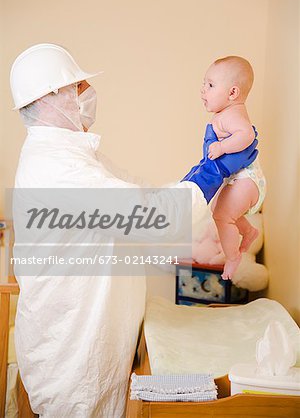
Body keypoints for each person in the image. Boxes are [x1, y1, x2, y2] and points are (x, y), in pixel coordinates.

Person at [9, 44, 258, 417]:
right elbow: (152, 216)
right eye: (77, 87)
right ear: (48, 99)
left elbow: (139, 192)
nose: (88, 95)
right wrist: (214, 171)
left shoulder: (74, 155)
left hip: (90, 336)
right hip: (73, 352)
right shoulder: (58, 168)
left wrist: (200, 173)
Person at [201, 56, 266, 280]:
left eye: (210, 85)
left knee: (222, 216)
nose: (203, 90)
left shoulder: (233, 114)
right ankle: (248, 231)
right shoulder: (225, 114)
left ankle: (233, 257)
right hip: (240, 178)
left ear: (232, 93)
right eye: (204, 84)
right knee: (218, 210)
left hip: (247, 178)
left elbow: (247, 135)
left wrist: (221, 147)